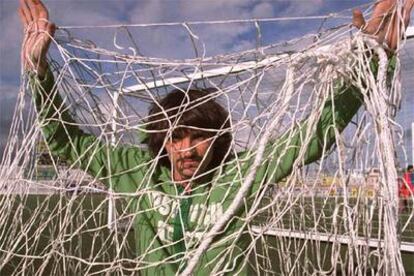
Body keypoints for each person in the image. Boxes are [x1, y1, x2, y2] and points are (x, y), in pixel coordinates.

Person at [18, 0, 414, 274]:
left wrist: (368, 56)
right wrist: (41, 73)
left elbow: (312, 137)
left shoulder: (241, 174)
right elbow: (67, 143)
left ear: (219, 138)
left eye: (198, 136)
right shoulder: (135, 172)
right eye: (175, 137)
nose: (186, 148)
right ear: (160, 140)